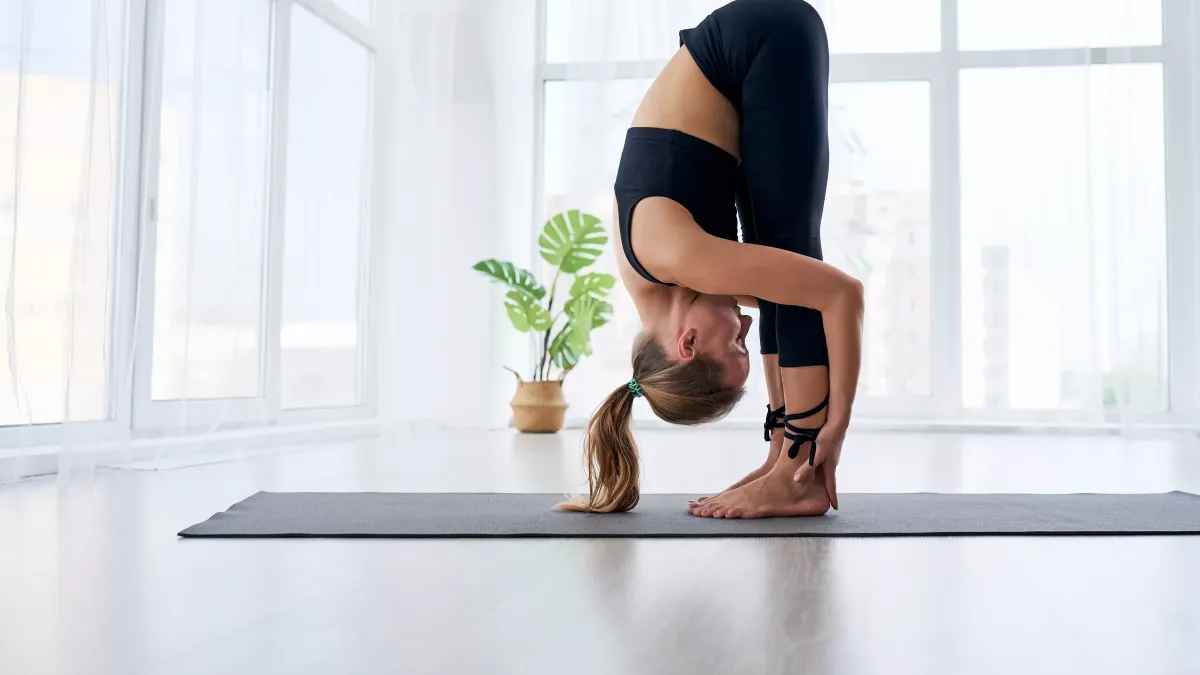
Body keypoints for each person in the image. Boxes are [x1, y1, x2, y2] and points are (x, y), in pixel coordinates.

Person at [558, 0, 864, 518]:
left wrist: (833, 428)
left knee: (793, 259)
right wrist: (778, 446)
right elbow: (778, 297)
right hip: (748, 61)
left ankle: (800, 476)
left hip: (762, 39)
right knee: (785, 281)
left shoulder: (678, 256)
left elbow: (841, 294)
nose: (744, 322)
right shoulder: (664, 280)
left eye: (736, 342)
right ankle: (785, 463)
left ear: (687, 342)